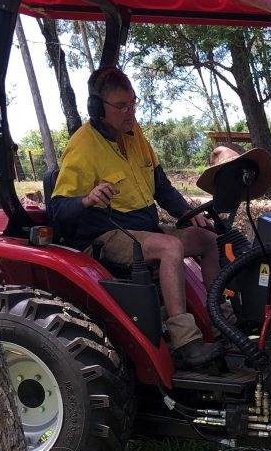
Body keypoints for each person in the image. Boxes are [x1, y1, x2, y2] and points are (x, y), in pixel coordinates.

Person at [50, 67, 234, 369]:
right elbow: (58, 209)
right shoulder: (82, 146)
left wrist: (188, 214)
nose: (130, 111)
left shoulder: (135, 136)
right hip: (107, 233)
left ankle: (219, 319)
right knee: (169, 247)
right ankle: (186, 341)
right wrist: (86, 199)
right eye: (121, 106)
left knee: (208, 239)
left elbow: (162, 187)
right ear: (98, 109)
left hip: (143, 228)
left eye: (133, 102)